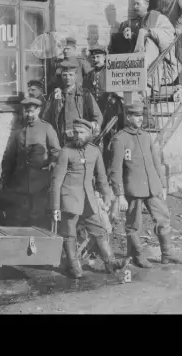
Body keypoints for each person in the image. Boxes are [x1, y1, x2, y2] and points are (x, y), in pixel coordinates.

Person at [108, 103, 182, 268]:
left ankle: (167, 253)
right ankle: (137, 255)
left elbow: (156, 162)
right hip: (134, 189)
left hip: (153, 186)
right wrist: (119, 194)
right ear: (128, 117)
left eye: (141, 116)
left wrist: (163, 185)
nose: (139, 119)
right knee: (134, 225)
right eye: (135, 116)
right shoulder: (120, 139)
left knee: (163, 219)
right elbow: (115, 170)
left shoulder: (146, 136)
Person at [50, 118, 129, 278]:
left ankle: (110, 262)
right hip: (69, 199)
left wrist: (107, 194)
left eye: (82, 132)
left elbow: (101, 177)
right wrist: (55, 207)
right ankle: (73, 267)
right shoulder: (66, 152)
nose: (78, 135)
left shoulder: (94, 151)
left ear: (90, 134)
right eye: (76, 132)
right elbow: (56, 181)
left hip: (88, 199)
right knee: (69, 233)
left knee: (99, 230)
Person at [1, 98, 60, 229]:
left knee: (38, 217)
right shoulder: (18, 131)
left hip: (40, 182)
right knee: (20, 216)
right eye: (27, 112)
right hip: (21, 182)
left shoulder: (46, 128)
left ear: (38, 111)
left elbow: (56, 151)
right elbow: (9, 155)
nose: (29, 115)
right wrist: (5, 175)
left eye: (32, 111)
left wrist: (52, 163)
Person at [117, 0, 180, 96]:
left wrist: (145, 33)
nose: (135, 7)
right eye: (134, 4)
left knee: (149, 42)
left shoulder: (154, 16)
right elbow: (141, 39)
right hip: (148, 58)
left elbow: (166, 35)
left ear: (147, 5)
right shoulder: (140, 21)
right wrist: (132, 35)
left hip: (159, 56)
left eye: (138, 4)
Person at [42, 60, 103, 146]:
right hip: (60, 140)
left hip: (80, 140)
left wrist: (91, 130)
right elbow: (46, 118)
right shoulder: (55, 95)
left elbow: (98, 116)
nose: (67, 78)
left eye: (71, 75)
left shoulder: (84, 94)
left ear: (76, 76)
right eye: (65, 75)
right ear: (61, 76)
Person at [83, 43, 124, 161]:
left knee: (111, 139)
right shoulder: (89, 75)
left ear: (105, 57)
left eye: (98, 57)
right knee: (97, 141)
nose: (95, 60)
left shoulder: (112, 71)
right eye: (93, 57)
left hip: (111, 112)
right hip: (96, 114)